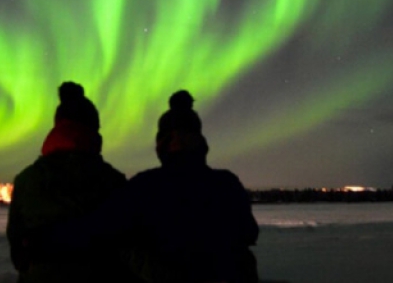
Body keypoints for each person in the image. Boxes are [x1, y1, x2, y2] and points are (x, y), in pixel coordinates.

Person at [59, 90, 259, 282]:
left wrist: (41, 240)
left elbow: (100, 228)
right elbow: (249, 232)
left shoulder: (144, 187)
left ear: (164, 143)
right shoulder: (227, 184)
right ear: (199, 141)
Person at [6, 81, 130, 283]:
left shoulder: (27, 180)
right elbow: (127, 243)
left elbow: (17, 245)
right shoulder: (113, 181)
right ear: (93, 131)